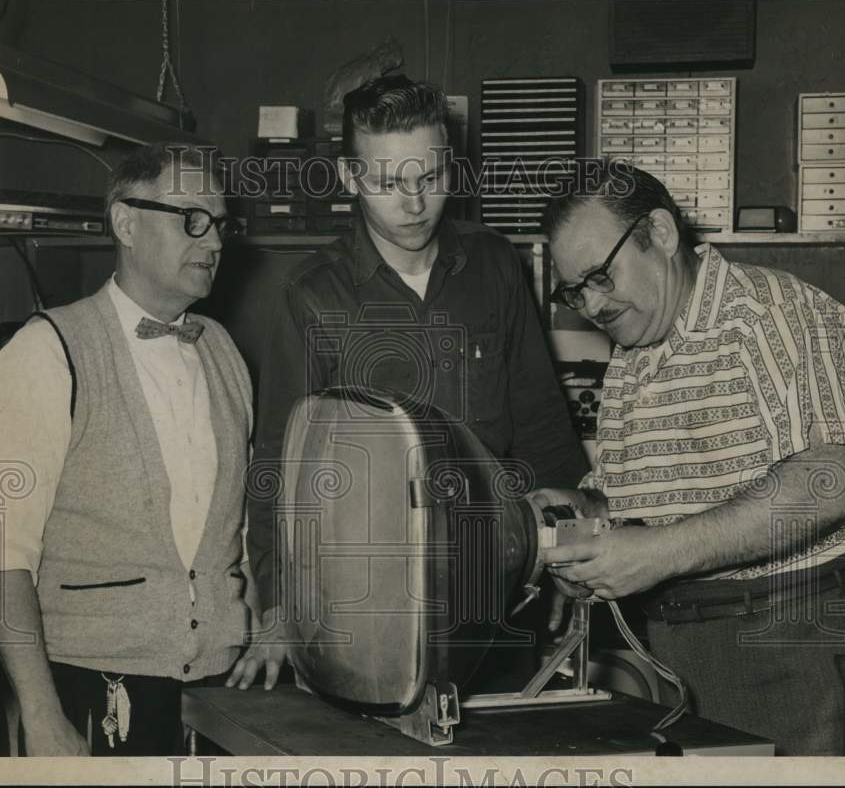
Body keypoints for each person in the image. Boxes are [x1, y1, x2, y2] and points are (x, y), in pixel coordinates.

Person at [231, 74, 589, 689]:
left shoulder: (496, 265)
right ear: (349, 180)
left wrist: (564, 552)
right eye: (389, 184)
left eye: (430, 178)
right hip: (370, 605)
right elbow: (280, 465)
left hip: (495, 586)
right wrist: (275, 609)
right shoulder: (312, 295)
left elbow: (541, 423)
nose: (415, 203)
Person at [536, 161, 845, 755]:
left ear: (662, 233)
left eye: (599, 276)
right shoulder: (633, 354)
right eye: (574, 291)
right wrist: (577, 512)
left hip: (794, 643)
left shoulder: (779, 313)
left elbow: (829, 484)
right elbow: (630, 502)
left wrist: (655, 554)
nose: (591, 304)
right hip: (683, 657)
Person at [0, 142, 253, 756]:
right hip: (92, 691)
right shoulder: (46, 352)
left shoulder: (226, 353)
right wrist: (40, 716)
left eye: (220, 223)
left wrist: (269, 620)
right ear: (126, 222)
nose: (215, 240)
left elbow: (240, 531)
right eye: (192, 219)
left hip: (222, 695)